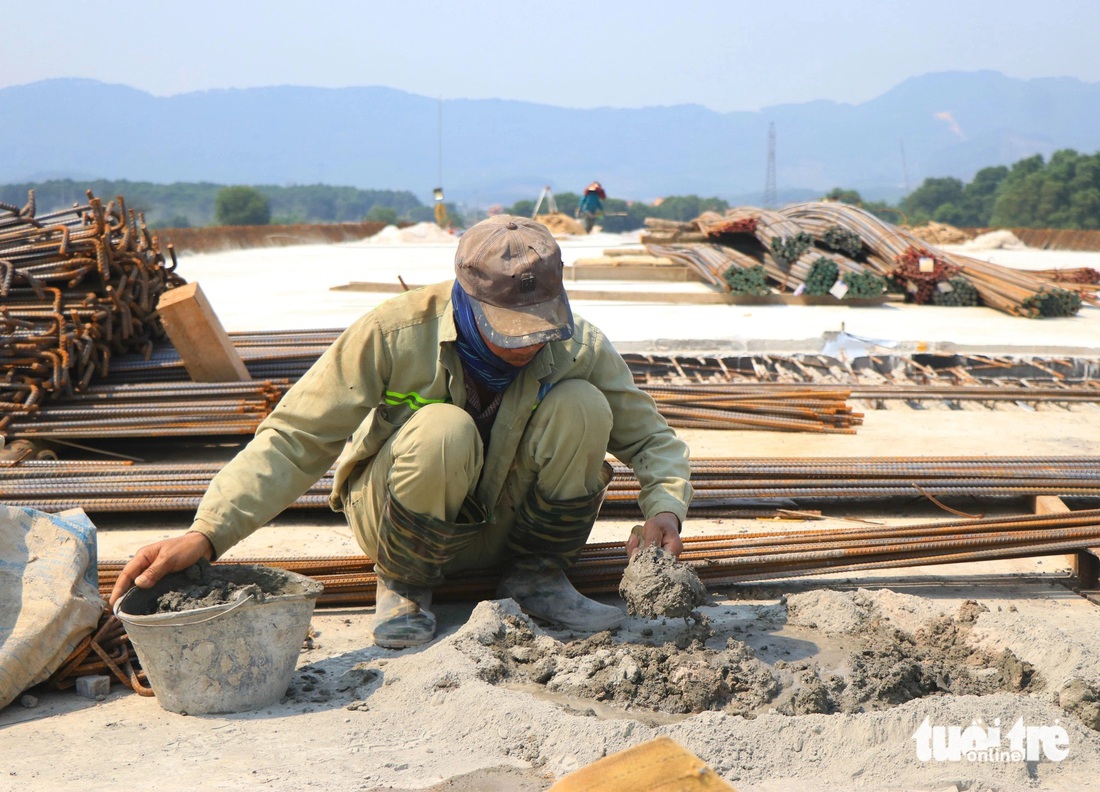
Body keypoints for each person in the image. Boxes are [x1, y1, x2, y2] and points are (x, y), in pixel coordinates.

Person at [109, 215, 692, 649]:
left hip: (512, 530)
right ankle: (407, 587)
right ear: (469, 299)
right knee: (442, 426)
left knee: (585, 405)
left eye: (541, 328)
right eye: (512, 331)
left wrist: (665, 511)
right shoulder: (394, 332)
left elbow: (652, 440)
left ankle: (538, 577)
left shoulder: (577, 344)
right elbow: (295, 438)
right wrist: (208, 533)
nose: (530, 344)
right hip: (402, 527)